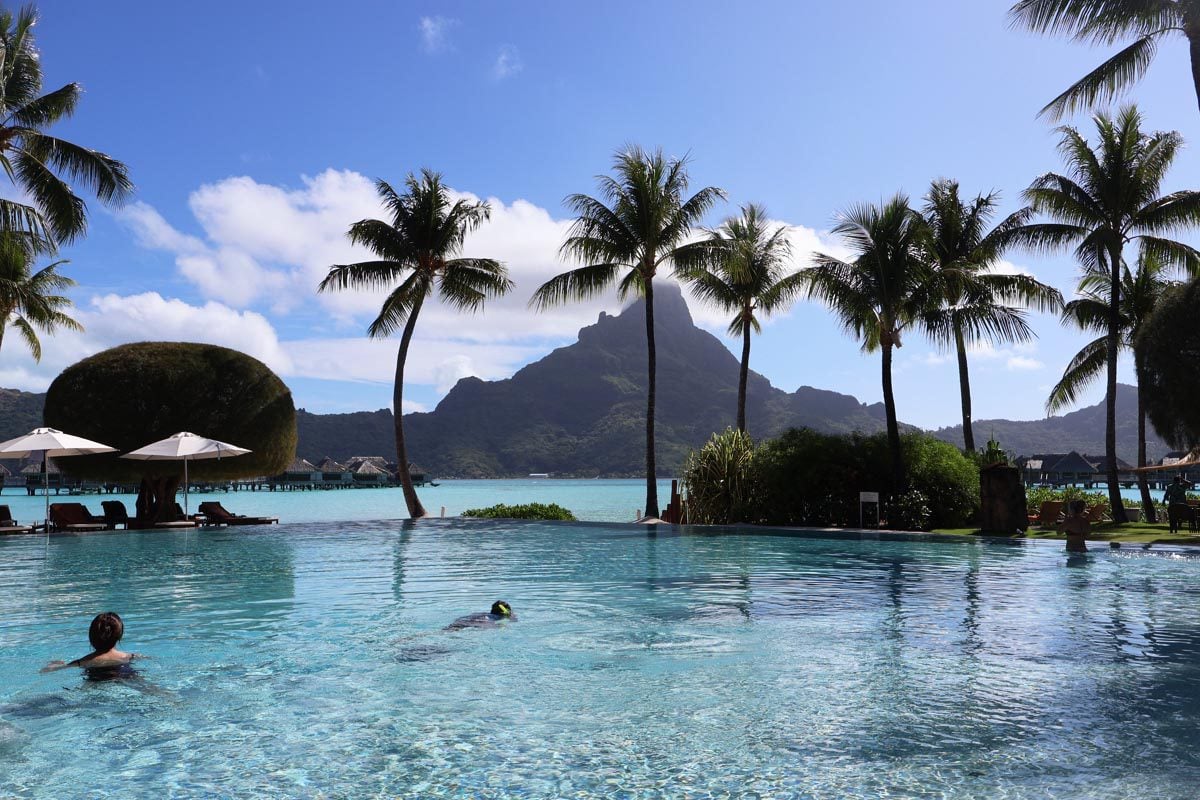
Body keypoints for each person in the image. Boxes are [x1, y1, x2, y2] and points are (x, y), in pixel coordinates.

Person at [40, 612, 141, 680]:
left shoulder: (82, 662)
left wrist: (54, 664)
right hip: (124, 672)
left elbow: (45, 671)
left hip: (95, 680)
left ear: (91, 637)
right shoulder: (129, 657)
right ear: (120, 636)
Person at [445, 601, 516, 630]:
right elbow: (514, 620)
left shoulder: (482, 613)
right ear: (505, 612)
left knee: (450, 629)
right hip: (479, 624)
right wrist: (510, 615)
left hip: (463, 621)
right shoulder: (500, 617)